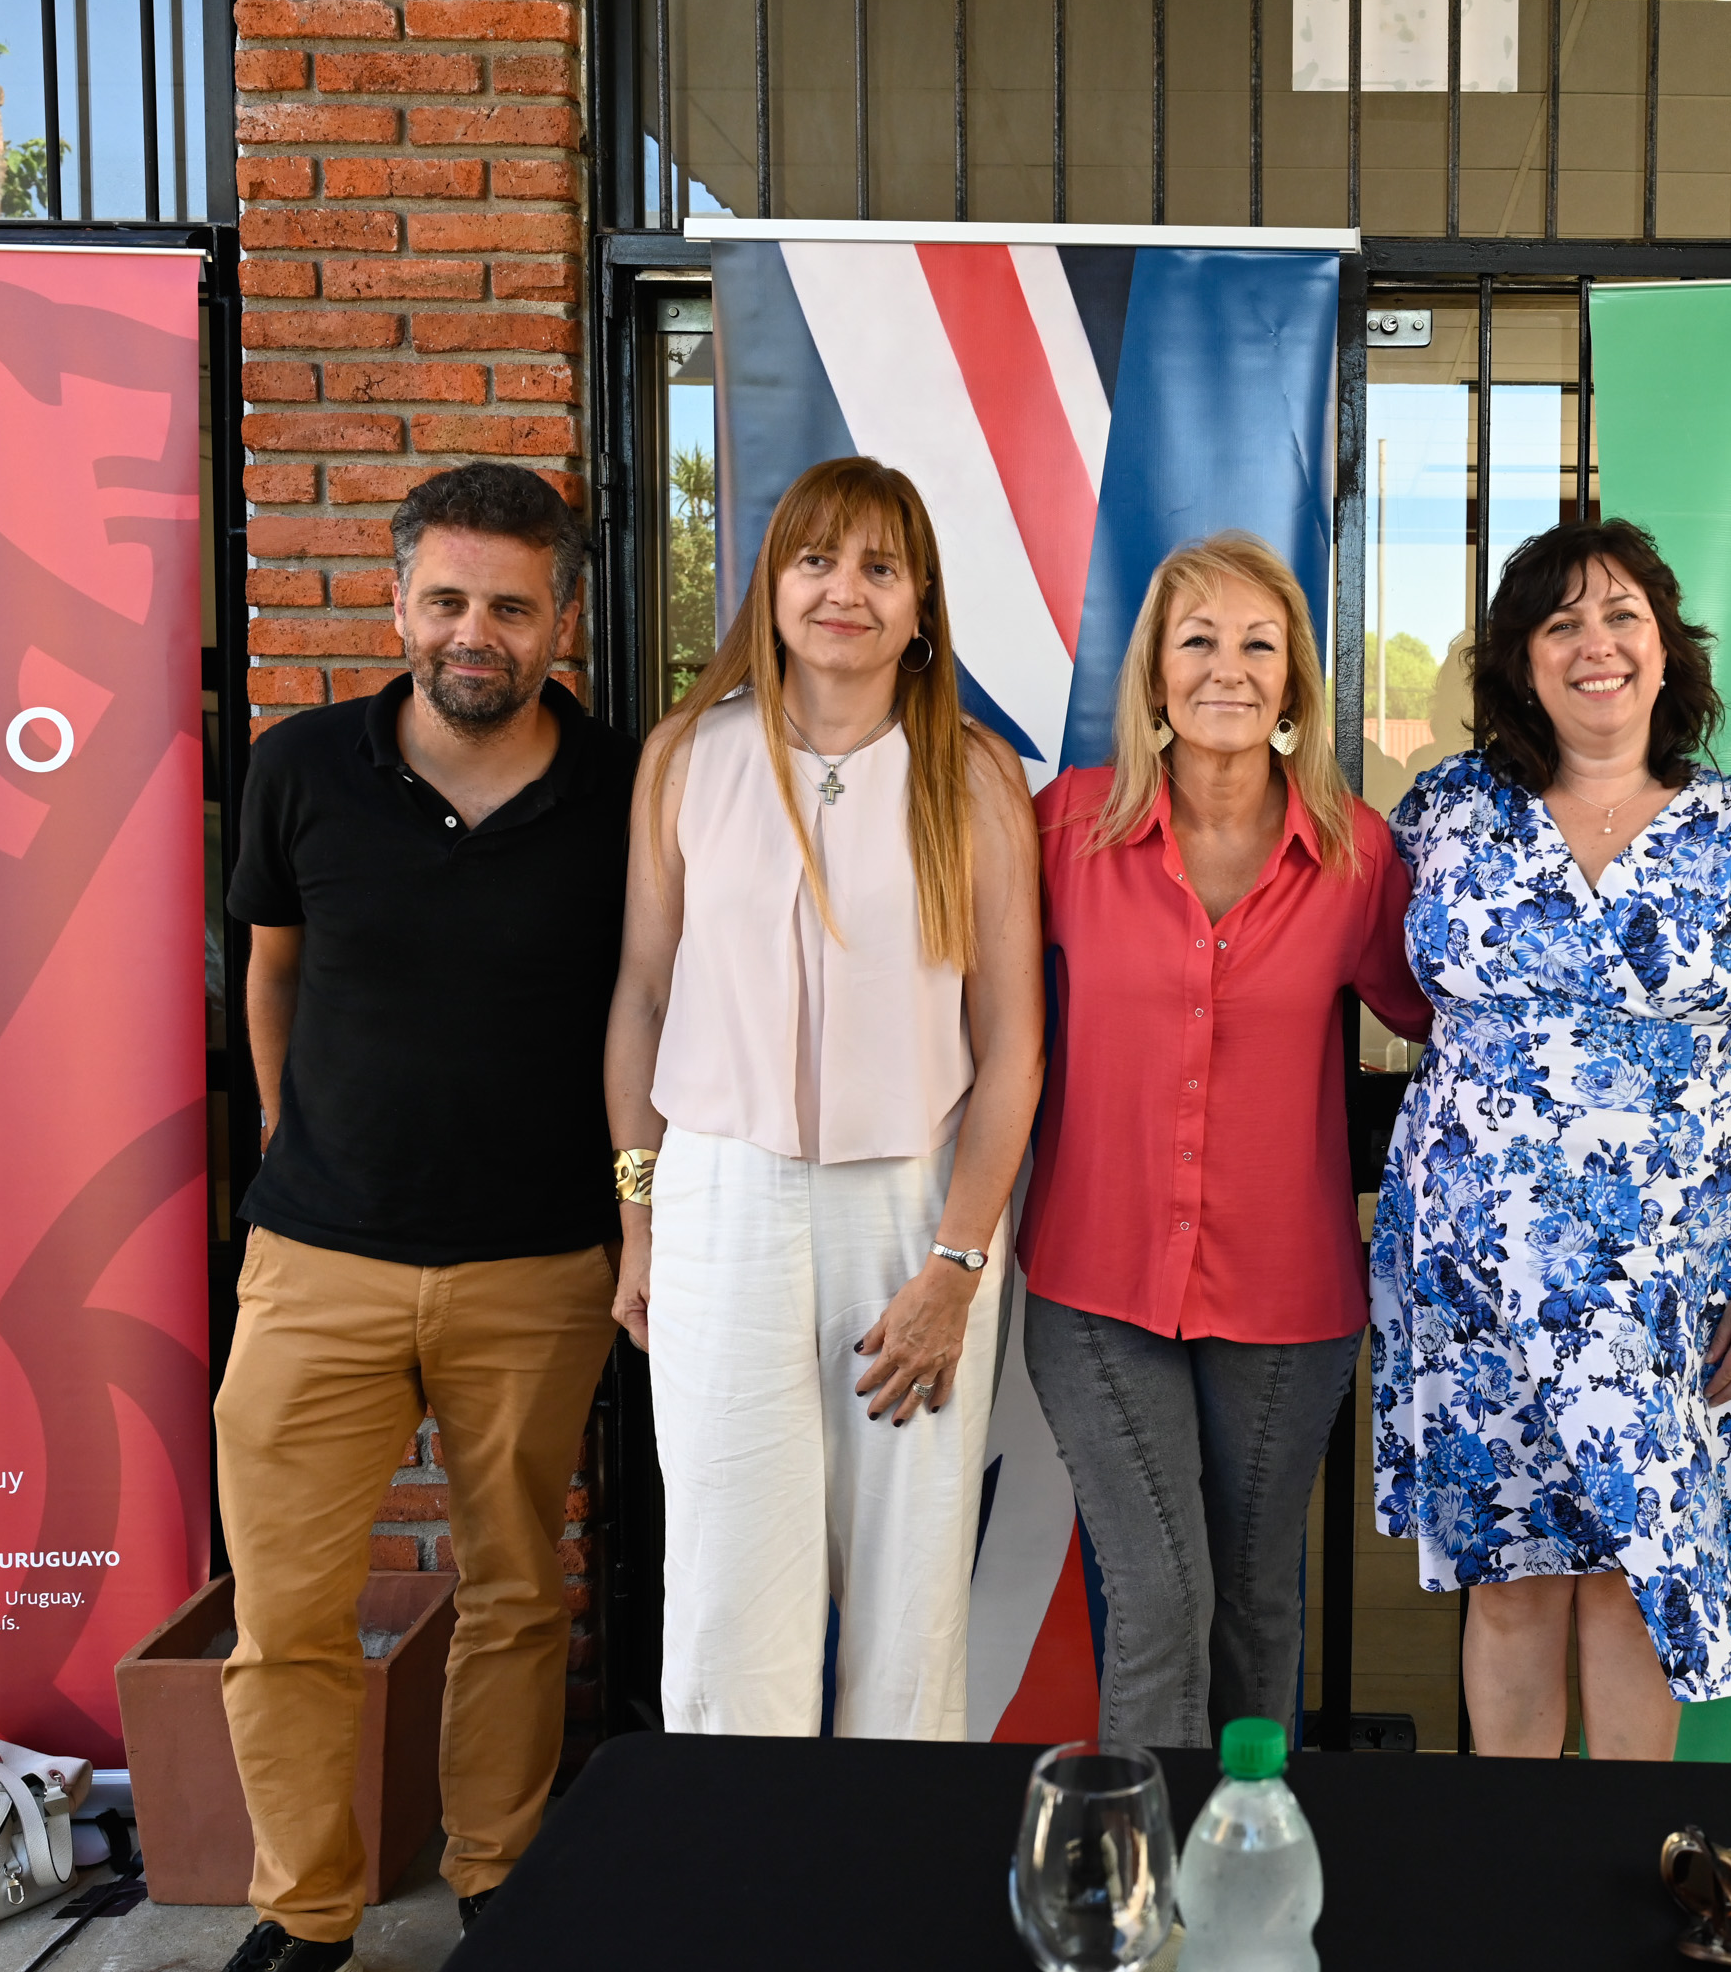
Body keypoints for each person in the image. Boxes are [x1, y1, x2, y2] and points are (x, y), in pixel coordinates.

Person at [216, 464, 635, 1972]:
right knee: (288, 1615)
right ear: (397, 603)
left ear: (562, 621)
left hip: (537, 1265)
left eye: (513, 607)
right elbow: (270, 968)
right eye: (448, 599)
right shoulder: (300, 769)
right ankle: (304, 1911)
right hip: (317, 1259)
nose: (478, 632)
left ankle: (499, 1880)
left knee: (521, 1595)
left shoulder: (622, 790)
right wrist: (292, 1142)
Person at [1370, 517, 1731, 1759]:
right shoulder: (1446, 813)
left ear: (1666, 646)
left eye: (1621, 614)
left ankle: (1621, 1879)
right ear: (1521, 662)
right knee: (1514, 1580)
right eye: (1560, 621)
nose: (1596, 644)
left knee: (1647, 1583)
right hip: (1481, 1270)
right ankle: (1512, 1885)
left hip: (1681, 1279)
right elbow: (1390, 987)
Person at [602, 456, 1042, 1740]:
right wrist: (640, 1216)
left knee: (912, 1596)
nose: (843, 589)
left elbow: (1012, 1041)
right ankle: (741, 1896)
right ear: (772, 583)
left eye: (879, 567)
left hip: (917, 1208)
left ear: (920, 609)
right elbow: (640, 995)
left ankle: (892, 1900)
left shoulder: (976, 777)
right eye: (815, 559)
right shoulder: (690, 755)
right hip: (720, 1197)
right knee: (733, 1591)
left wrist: (958, 1260)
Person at [1022, 532, 1431, 1748]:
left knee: (1257, 1603)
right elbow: (965, 1002)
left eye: (1261, 643)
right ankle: (1145, 1895)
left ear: (1297, 680)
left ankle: (1254, 1885)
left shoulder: (1357, 855)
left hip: (1289, 1299)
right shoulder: (1065, 829)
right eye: (1198, 640)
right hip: (1096, 1285)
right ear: (1153, 673)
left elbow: (1449, 1016)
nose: (1229, 668)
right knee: (1160, 1598)